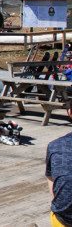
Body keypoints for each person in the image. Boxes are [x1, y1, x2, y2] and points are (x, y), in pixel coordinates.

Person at [46, 96, 72, 226]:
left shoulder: (55, 146)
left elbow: (51, 179)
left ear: (70, 112)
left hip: (62, 218)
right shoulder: (54, 146)